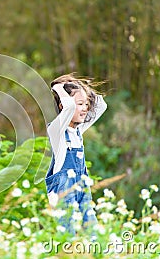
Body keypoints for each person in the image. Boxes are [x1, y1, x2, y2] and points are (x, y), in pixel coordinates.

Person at [45, 73, 107, 235]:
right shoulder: (56, 131)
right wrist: (58, 88)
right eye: (80, 104)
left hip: (82, 191)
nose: (85, 108)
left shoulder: (78, 130)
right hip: (64, 194)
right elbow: (69, 108)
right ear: (62, 105)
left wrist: (79, 87)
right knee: (68, 236)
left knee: (92, 234)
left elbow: (101, 105)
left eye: (86, 104)